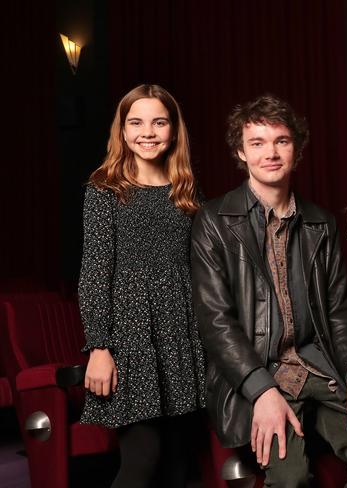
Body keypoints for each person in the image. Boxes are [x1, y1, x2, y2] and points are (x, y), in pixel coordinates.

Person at [191, 94, 347, 488]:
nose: (270, 153)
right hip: (258, 370)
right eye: (258, 143)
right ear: (241, 151)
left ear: (297, 151)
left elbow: (339, 313)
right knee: (290, 480)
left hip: (317, 364)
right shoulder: (215, 221)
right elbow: (216, 322)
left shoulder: (319, 222)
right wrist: (260, 389)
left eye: (281, 141)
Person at [79, 84, 206, 487]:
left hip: (181, 335)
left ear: (173, 130)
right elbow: (95, 272)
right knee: (142, 458)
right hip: (131, 338)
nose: (147, 132)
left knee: (180, 464)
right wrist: (99, 347)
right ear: (122, 129)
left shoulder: (187, 192)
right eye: (136, 122)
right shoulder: (105, 190)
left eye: (158, 122)